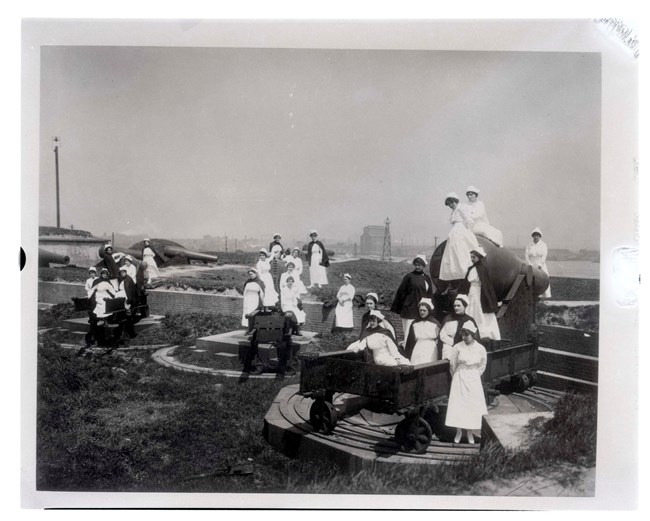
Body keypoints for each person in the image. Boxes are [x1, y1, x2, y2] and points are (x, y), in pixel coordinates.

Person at [444, 322, 488, 444]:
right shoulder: (457, 347)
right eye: (462, 335)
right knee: (459, 404)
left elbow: (483, 365)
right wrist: (457, 375)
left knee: (471, 405)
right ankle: (458, 432)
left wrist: (474, 374)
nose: (464, 337)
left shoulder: (480, 348)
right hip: (460, 376)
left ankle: (469, 433)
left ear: (473, 334)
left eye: (467, 335)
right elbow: (452, 364)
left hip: (473, 377)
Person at [391, 255, 435, 342]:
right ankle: (407, 351)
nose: (417, 266)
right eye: (416, 264)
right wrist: (400, 308)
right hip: (410, 310)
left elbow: (429, 295)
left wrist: (430, 308)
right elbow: (401, 292)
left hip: (422, 310)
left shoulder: (426, 278)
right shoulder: (409, 277)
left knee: (419, 333)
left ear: (423, 266)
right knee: (408, 332)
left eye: (419, 265)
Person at [346, 310, 412, 367]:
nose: (372, 323)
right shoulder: (367, 332)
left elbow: (392, 348)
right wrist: (358, 348)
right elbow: (362, 343)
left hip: (389, 353)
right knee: (393, 364)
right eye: (370, 321)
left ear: (378, 321)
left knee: (405, 362)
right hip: (379, 357)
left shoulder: (385, 332)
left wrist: (397, 357)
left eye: (374, 321)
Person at [439, 193, 480, 282]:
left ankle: (463, 271)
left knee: (460, 252)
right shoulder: (454, 211)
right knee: (452, 253)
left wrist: (468, 230)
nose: (450, 205)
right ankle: (454, 273)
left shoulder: (460, 208)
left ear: (455, 201)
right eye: (448, 204)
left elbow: (468, 219)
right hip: (454, 231)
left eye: (451, 203)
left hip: (460, 230)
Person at [465, 246, 501, 341]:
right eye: (471, 257)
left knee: (479, 309)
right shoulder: (471, 268)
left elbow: (486, 284)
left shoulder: (482, 268)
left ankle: (482, 331)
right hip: (471, 291)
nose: (472, 259)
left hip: (479, 292)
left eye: (474, 257)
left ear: (479, 257)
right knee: (471, 308)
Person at [440, 295, 479, 360]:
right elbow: (442, 335)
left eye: (458, 306)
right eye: (455, 306)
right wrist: (452, 342)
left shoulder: (469, 320)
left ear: (465, 306)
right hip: (449, 347)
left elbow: (474, 337)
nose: (456, 308)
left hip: (465, 347)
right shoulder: (449, 319)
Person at [403, 298, 441, 364]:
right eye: (420, 310)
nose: (422, 312)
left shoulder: (435, 323)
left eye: (424, 310)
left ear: (429, 311)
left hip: (430, 347)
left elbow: (439, 338)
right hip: (418, 346)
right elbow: (410, 340)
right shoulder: (415, 323)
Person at [525, 227, 552, 298]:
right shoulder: (529, 245)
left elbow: (544, 256)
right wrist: (530, 265)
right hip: (531, 265)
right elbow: (526, 256)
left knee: (544, 279)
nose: (536, 237)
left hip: (540, 265)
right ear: (532, 236)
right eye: (534, 235)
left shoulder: (543, 245)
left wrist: (539, 265)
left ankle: (544, 297)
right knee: (529, 280)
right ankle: (531, 295)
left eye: (537, 235)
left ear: (540, 236)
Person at [241, 268, 265, 333]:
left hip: (255, 299)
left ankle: (253, 327)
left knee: (253, 312)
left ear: (255, 274)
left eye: (252, 274)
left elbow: (262, 293)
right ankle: (248, 327)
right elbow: (245, 291)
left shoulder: (259, 282)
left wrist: (262, 302)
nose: (251, 276)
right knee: (247, 312)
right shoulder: (248, 282)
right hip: (248, 299)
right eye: (250, 274)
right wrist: (245, 299)